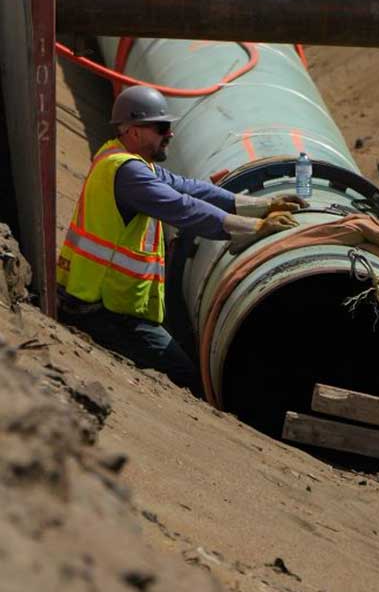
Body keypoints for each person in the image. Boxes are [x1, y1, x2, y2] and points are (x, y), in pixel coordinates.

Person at [56, 85, 306, 395]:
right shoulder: (128, 173)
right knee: (186, 378)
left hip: (104, 303)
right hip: (101, 311)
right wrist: (254, 227)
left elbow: (189, 189)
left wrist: (262, 204)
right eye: (161, 127)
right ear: (133, 131)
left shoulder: (122, 159)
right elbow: (183, 209)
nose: (170, 134)